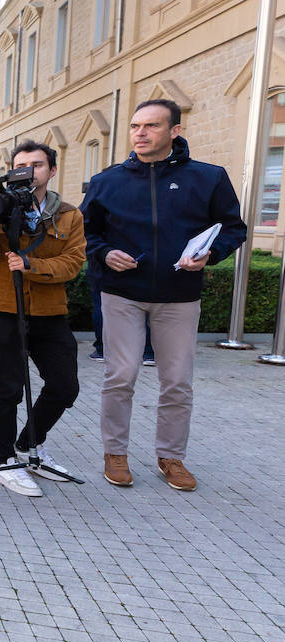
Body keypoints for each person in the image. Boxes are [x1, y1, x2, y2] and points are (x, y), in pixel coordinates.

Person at [82, 98, 247, 491]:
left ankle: (171, 457)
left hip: (180, 296)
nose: (140, 133)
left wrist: (211, 254)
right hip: (122, 294)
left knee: (177, 381)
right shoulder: (108, 181)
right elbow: (87, 233)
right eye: (136, 126)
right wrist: (105, 253)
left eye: (151, 126)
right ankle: (115, 453)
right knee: (120, 375)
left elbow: (233, 228)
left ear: (174, 131)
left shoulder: (208, 178)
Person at [0, 140, 84, 497]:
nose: (29, 172)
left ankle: (30, 446)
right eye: (21, 165)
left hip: (50, 311)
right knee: (9, 388)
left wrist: (32, 265)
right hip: (3, 308)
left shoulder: (69, 215)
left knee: (65, 386)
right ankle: (5, 460)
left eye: (38, 165)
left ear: (52, 170)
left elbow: (73, 263)